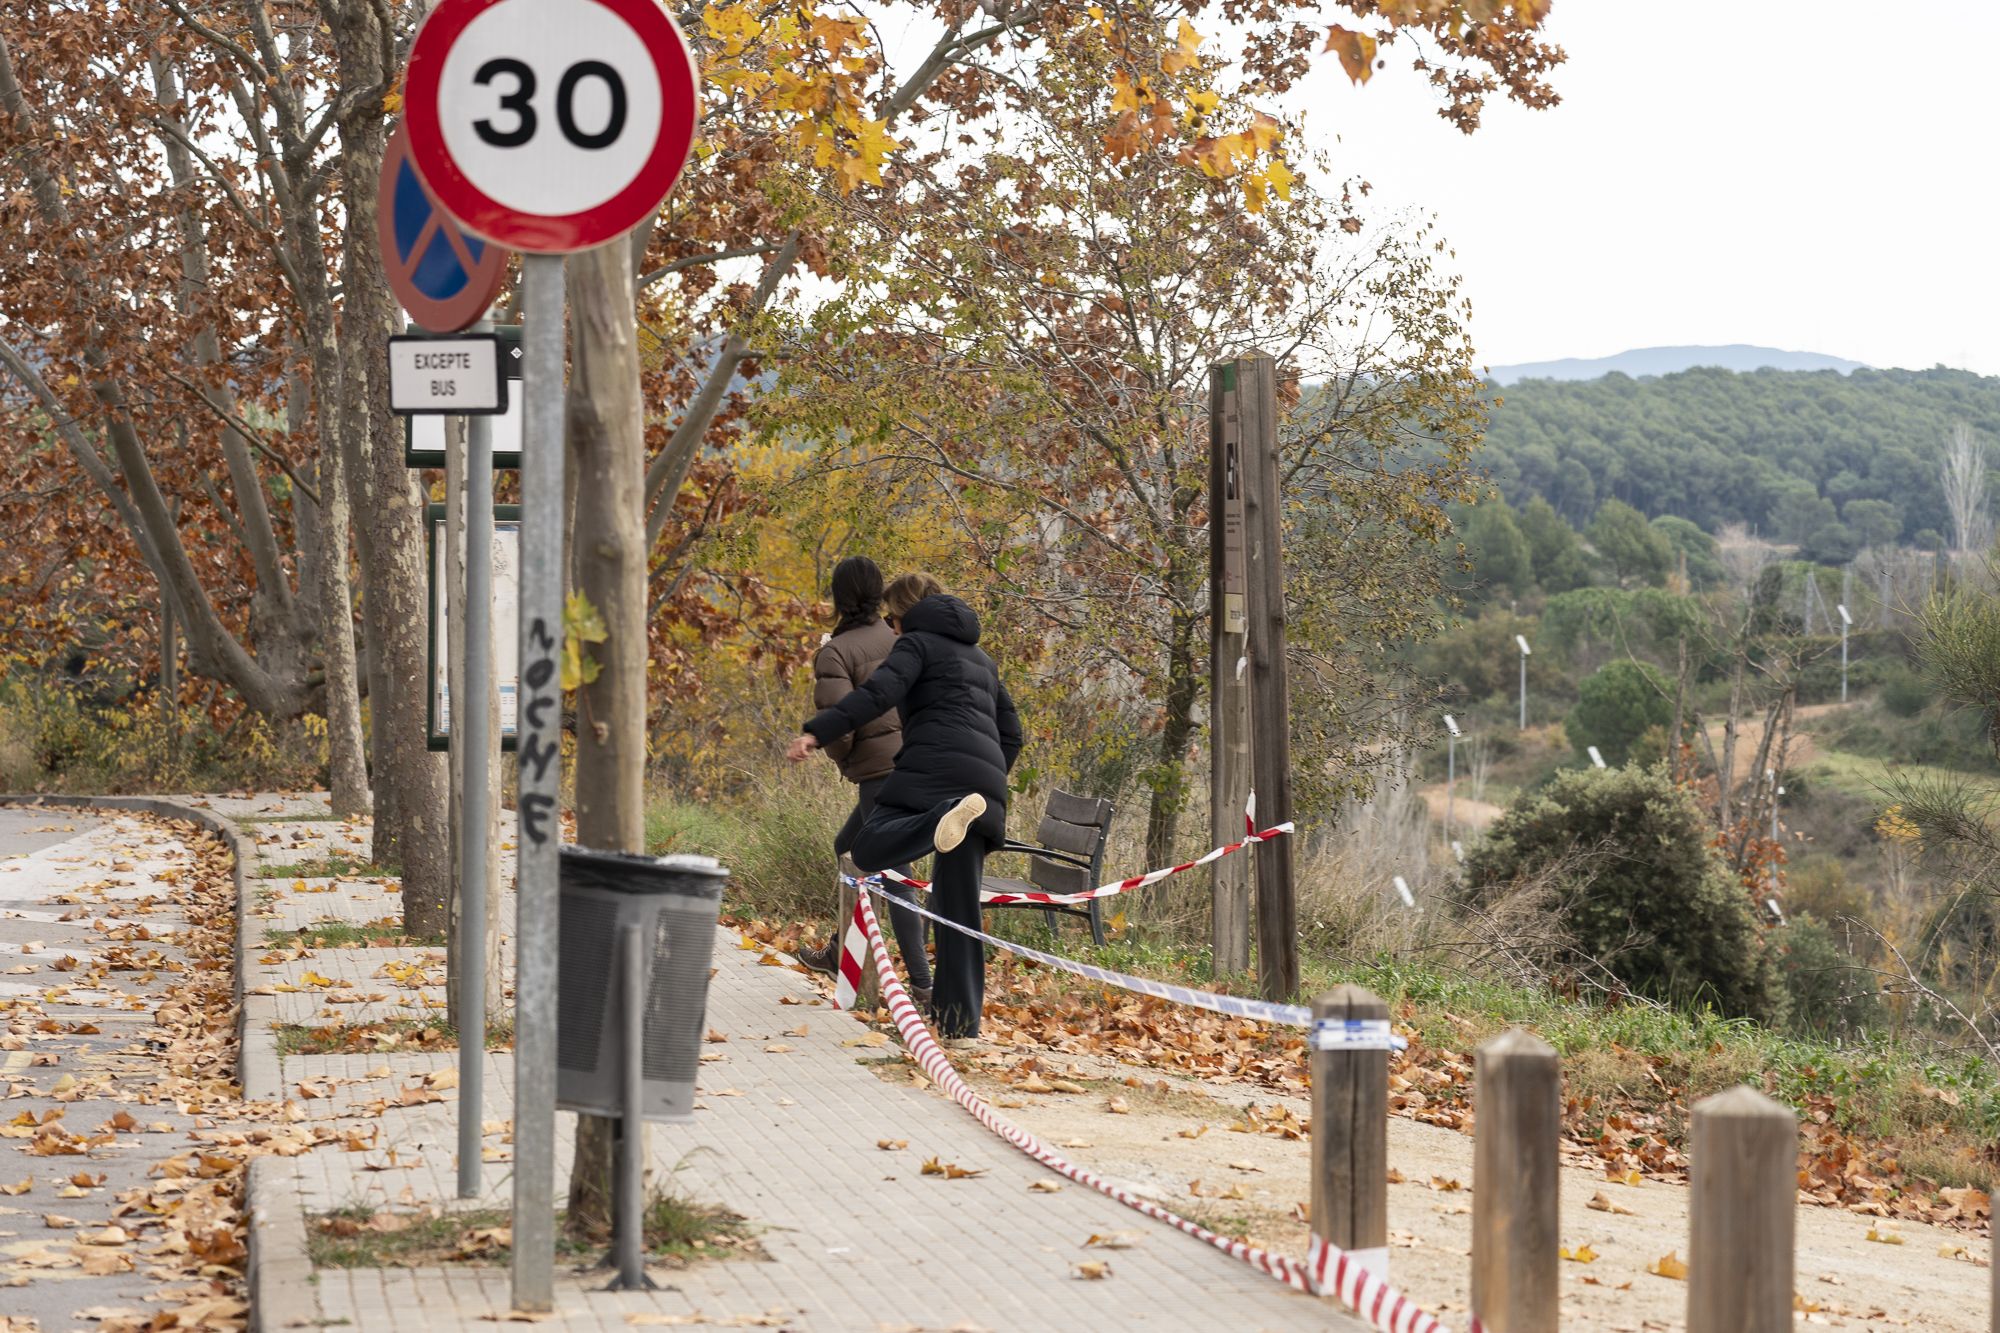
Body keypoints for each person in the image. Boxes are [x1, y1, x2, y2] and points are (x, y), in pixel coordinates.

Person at [787, 572, 1021, 1040]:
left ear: (904, 616)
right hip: (983, 790)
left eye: (892, 619)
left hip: (933, 774)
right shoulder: (982, 659)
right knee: (957, 908)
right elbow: (1013, 733)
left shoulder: (915, 644)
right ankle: (959, 1029)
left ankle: (938, 821)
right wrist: (989, 780)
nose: (891, 628)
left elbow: (877, 695)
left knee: (868, 847)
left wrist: (817, 732)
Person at [794, 558, 934, 1006]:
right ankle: (842, 949)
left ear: (839, 597)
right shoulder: (901, 637)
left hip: (878, 774)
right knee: (848, 846)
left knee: (894, 874)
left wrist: (844, 756)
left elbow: (841, 726)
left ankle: (922, 985)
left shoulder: (836, 651)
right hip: (918, 761)